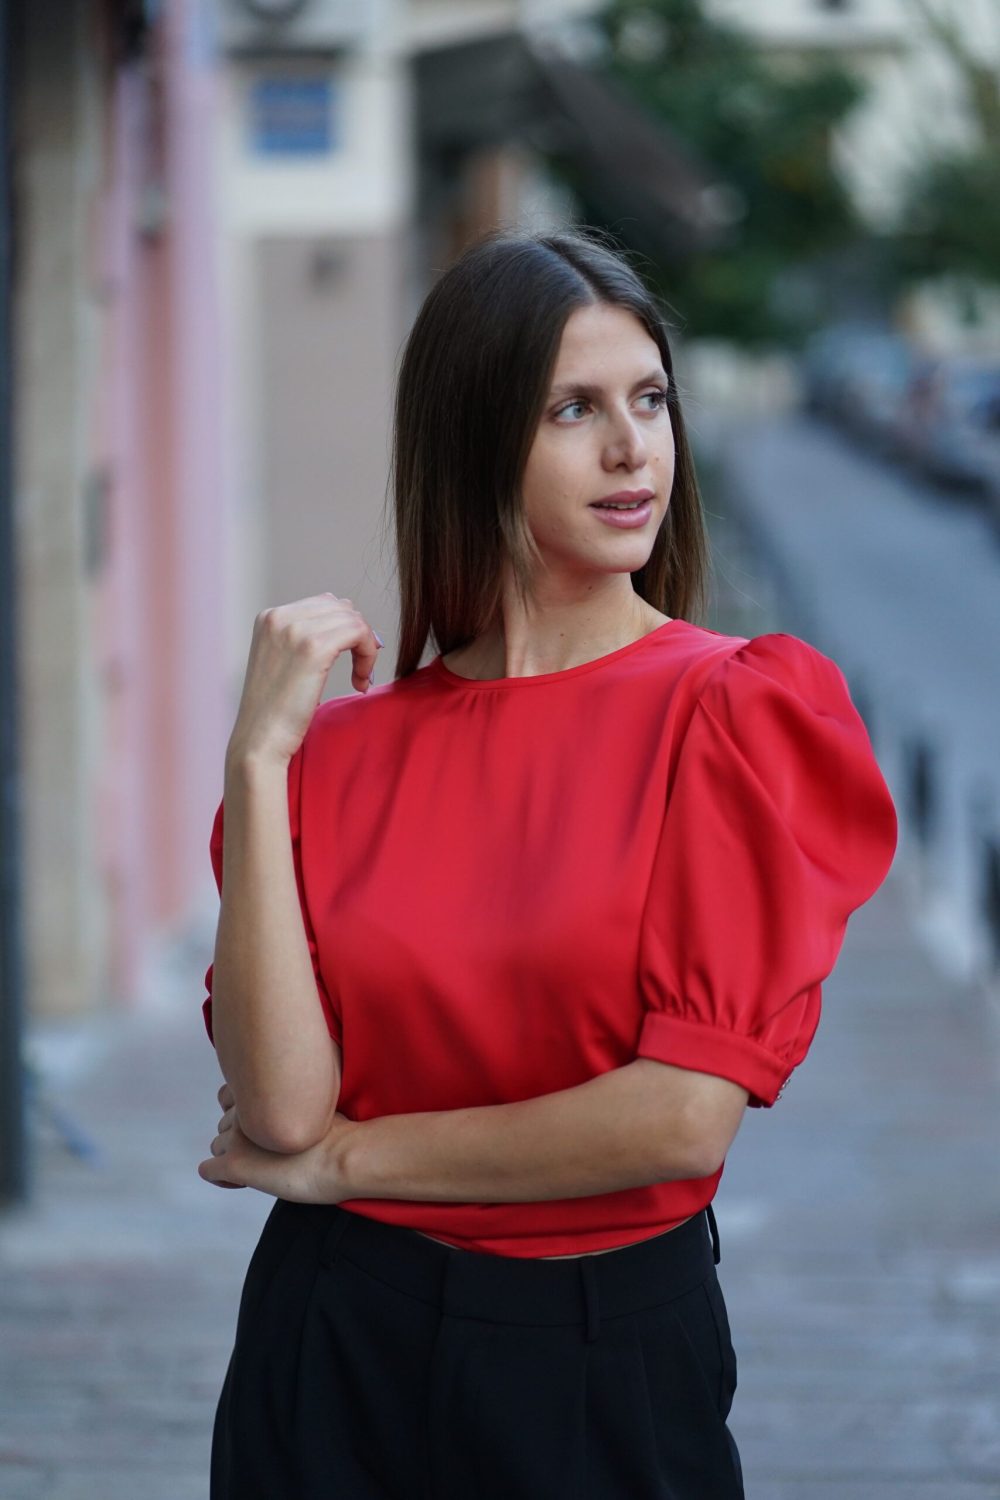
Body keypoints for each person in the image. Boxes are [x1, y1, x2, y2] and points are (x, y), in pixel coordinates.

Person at [197, 226, 899, 1500]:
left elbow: (678, 1118)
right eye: (573, 409)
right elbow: (282, 1110)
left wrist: (349, 1165)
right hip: (330, 1342)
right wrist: (255, 763)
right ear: (473, 440)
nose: (633, 449)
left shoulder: (729, 713)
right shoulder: (329, 757)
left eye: (649, 401)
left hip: (597, 1351)